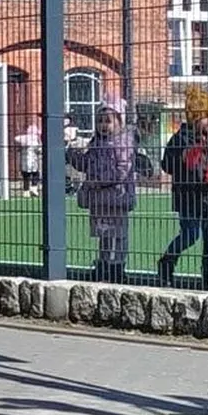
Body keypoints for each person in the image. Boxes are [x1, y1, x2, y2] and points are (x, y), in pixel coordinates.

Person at [158, 87, 208, 289]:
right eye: (207, 116)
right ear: (194, 118)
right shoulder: (180, 138)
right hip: (188, 196)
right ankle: (167, 261)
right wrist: (183, 158)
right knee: (191, 233)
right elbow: (166, 164)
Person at [68, 97, 138, 282]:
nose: (103, 125)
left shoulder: (123, 143)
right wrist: (72, 156)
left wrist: (100, 182)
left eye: (108, 121)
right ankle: (104, 264)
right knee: (105, 235)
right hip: (99, 198)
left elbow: (123, 170)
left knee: (120, 234)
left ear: (119, 121)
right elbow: (86, 165)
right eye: (100, 120)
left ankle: (118, 266)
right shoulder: (96, 143)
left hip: (117, 196)